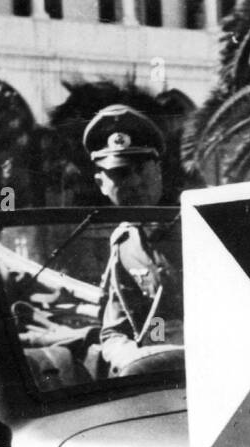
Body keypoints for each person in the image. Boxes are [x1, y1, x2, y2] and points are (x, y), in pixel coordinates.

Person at [83, 104, 184, 377]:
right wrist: (133, 360)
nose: (135, 182)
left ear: (159, 171)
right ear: (100, 183)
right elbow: (114, 330)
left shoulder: (198, 224)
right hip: (153, 377)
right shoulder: (124, 243)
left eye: (141, 168)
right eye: (120, 173)